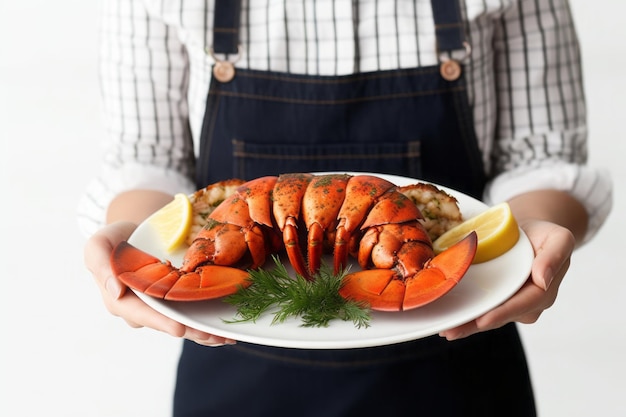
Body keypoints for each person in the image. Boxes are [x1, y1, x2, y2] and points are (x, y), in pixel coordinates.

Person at [79, 0, 612, 416]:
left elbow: (543, 155)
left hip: (458, 371)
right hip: (230, 378)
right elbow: (148, 159)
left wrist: (536, 234)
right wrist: (130, 239)